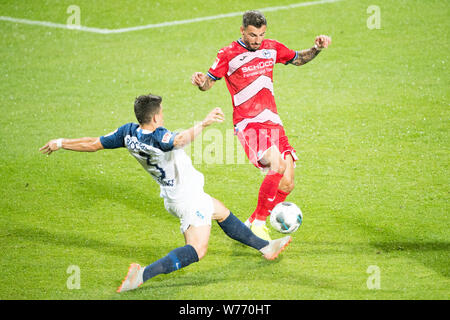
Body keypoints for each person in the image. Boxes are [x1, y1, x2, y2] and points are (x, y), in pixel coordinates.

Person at [39, 93, 291, 293]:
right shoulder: (160, 137)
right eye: (161, 113)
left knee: (221, 211)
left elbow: (93, 144)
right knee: (197, 250)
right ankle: (142, 274)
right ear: (156, 118)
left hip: (174, 195)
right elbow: (179, 140)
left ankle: (265, 248)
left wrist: (61, 143)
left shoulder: (128, 133)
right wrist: (204, 123)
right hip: (187, 198)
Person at [191, 10, 331, 240]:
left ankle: (250, 223)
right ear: (242, 31)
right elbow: (208, 82)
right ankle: (258, 223)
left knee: (287, 184)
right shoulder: (228, 54)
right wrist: (200, 81)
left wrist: (316, 48)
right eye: (253, 35)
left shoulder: (271, 47)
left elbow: (298, 58)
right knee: (276, 164)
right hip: (248, 123)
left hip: (273, 122)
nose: (257, 40)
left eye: (261, 34)